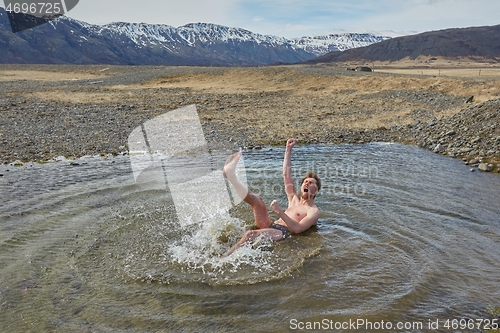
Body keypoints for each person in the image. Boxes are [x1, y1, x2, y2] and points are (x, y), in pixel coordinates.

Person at [222, 138, 321, 256]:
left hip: (282, 233)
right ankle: (231, 176)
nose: (306, 183)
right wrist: (288, 149)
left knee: (250, 234)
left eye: (311, 183)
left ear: (316, 190)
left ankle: (225, 256)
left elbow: (298, 229)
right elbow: (286, 175)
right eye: (305, 182)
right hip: (272, 225)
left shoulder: (313, 211)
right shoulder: (294, 199)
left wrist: (279, 212)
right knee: (257, 200)